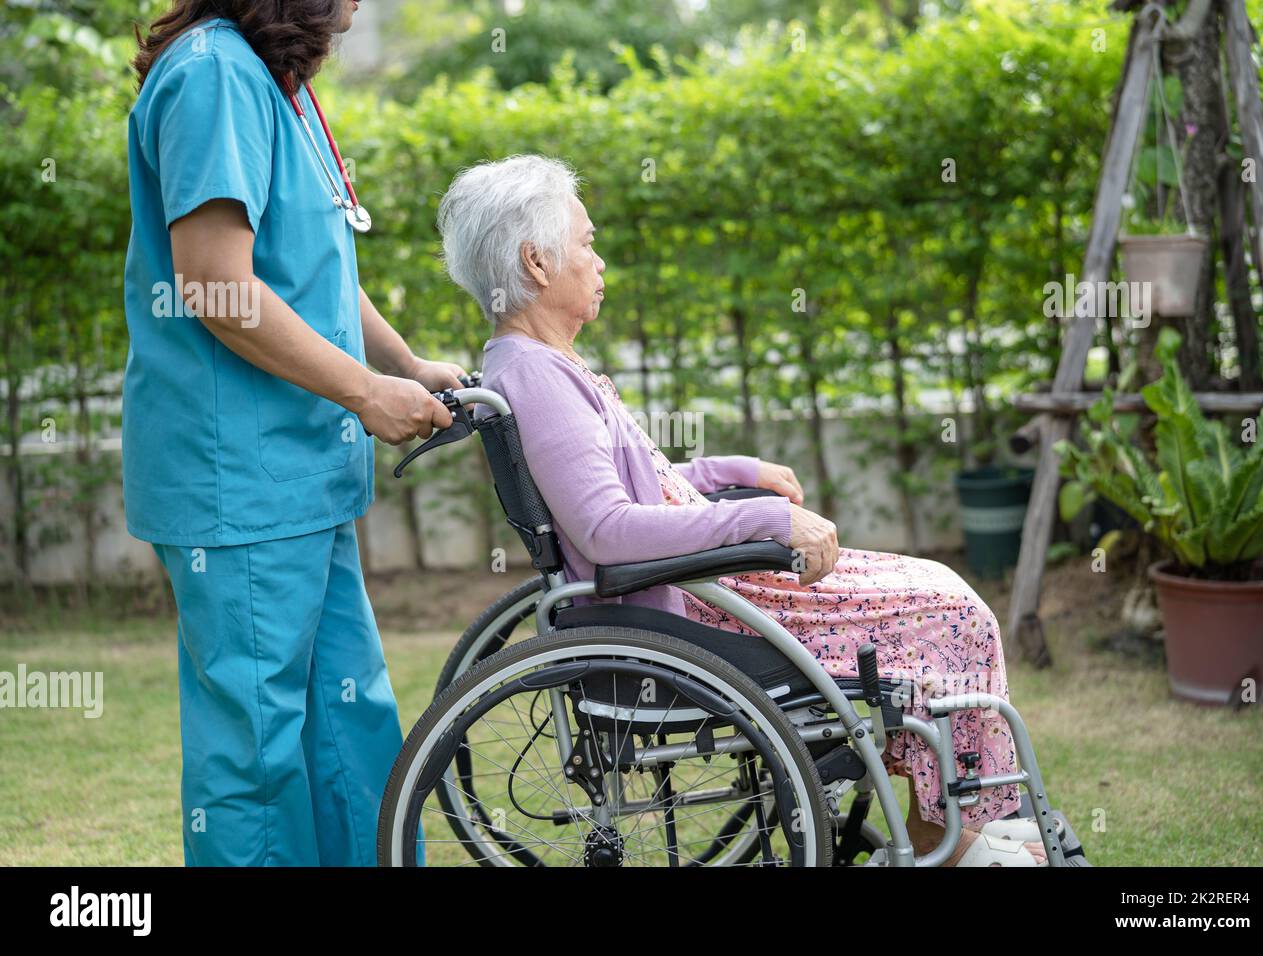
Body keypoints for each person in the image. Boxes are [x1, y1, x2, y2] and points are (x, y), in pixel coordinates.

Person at [440, 154, 1050, 866]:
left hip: (704, 586)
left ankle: (954, 823)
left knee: (939, 594)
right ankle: (956, 834)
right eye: (586, 242)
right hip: (699, 605)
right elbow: (609, 531)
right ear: (536, 263)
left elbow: (644, 483)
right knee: (947, 612)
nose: (599, 260)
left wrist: (737, 473)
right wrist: (763, 520)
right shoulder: (538, 375)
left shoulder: (540, 364)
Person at [123, 0, 458, 865]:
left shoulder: (273, 79)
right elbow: (216, 284)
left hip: (300, 478)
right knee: (260, 756)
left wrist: (406, 367)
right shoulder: (213, 75)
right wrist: (363, 394)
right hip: (240, 481)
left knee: (352, 728)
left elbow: (312, 268)